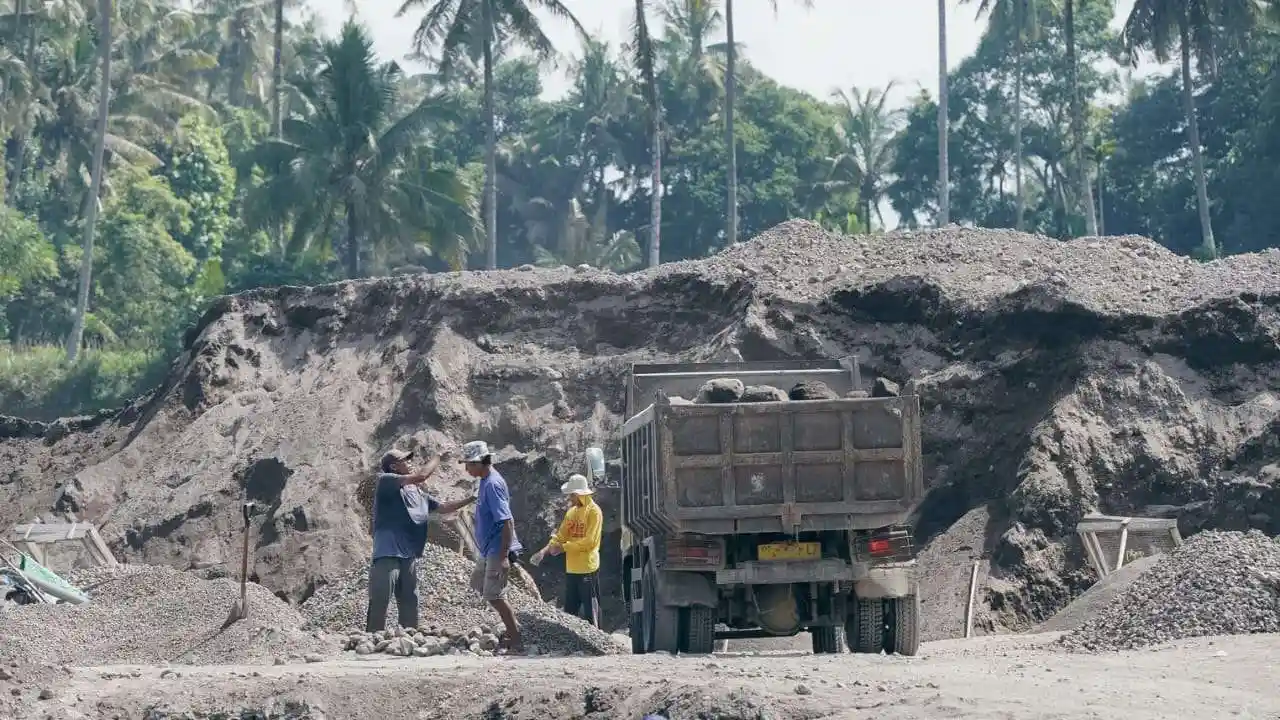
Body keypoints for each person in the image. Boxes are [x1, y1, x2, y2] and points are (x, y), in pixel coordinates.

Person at [367, 448, 475, 633]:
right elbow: (422, 476)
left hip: (408, 553)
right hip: (387, 552)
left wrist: (471, 498)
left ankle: (410, 637)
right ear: (393, 466)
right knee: (381, 597)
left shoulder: (415, 492)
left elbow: (442, 508)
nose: (409, 462)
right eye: (404, 460)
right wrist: (438, 456)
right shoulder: (386, 481)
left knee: (410, 597)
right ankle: (372, 638)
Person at [460, 440, 524, 651]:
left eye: (468, 464)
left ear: (479, 462)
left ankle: (515, 639)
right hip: (489, 549)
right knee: (478, 583)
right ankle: (512, 628)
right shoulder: (484, 481)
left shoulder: (493, 484)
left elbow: (507, 521)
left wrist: (504, 556)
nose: (466, 468)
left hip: (498, 549)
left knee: (494, 595)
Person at [531, 473, 603, 627]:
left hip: (587, 568)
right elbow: (561, 535)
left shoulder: (594, 512)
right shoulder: (572, 512)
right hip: (572, 569)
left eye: (571, 495)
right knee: (570, 611)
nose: (569, 498)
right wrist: (545, 551)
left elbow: (589, 542)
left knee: (591, 610)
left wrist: (563, 548)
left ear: (578, 494)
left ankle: (599, 643)